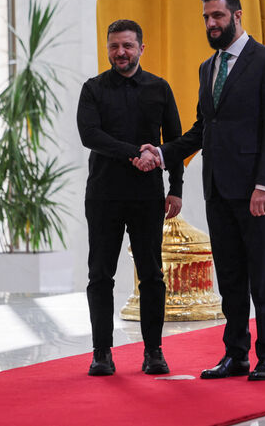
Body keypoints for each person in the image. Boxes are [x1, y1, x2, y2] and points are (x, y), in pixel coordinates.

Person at [134, 0, 265, 381]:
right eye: (206, 17)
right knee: (231, 276)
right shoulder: (209, 67)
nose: (211, 24)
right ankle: (235, 354)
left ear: (237, 16)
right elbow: (202, 130)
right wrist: (163, 152)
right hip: (218, 190)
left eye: (217, 16)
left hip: (257, 192)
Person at [76, 19, 183, 376]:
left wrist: (176, 188)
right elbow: (90, 135)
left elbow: (175, 139)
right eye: (114, 47)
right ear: (107, 49)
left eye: (127, 46)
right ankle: (101, 353)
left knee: (152, 274)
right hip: (104, 195)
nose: (120, 53)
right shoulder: (93, 89)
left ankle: (154, 351)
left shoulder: (159, 88)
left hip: (147, 197)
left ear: (141, 47)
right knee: (100, 274)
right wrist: (135, 152)